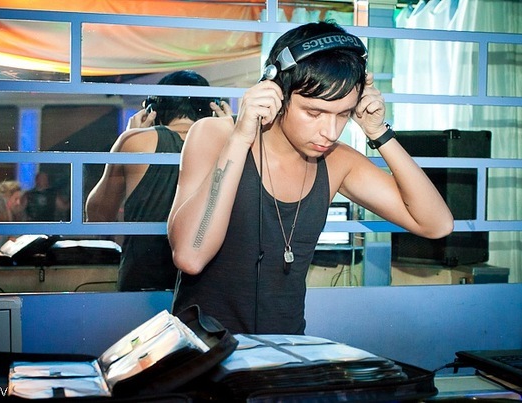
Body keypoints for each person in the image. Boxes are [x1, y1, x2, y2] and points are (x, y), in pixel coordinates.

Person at [167, 21, 454, 335]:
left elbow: (436, 224)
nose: (330, 132)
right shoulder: (216, 135)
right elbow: (190, 256)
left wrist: (378, 132)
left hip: (285, 351)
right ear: (276, 92)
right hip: (204, 351)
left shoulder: (337, 160)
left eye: (343, 114)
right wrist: (240, 140)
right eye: (314, 113)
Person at [85, 70, 232, 291]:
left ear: (153, 110)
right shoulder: (228, 145)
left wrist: (128, 138)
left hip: (141, 286)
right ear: (212, 109)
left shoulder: (136, 142)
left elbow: (97, 218)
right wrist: (229, 130)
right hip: (206, 287)